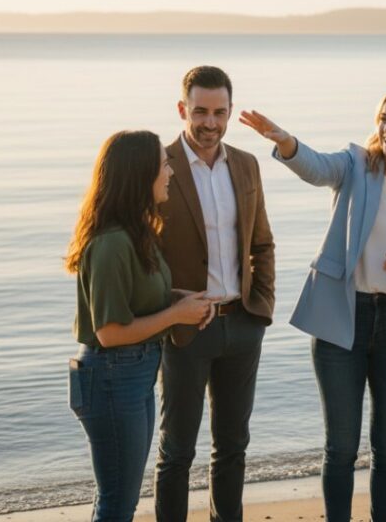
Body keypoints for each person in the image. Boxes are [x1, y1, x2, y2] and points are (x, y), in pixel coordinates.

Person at [239, 88, 386, 522]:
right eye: (384, 118)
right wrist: (286, 142)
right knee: (341, 446)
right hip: (342, 317)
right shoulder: (356, 165)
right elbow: (316, 168)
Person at [66, 130, 213, 522]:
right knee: (118, 502)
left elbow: (144, 297)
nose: (170, 173)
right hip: (113, 375)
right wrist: (176, 316)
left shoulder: (137, 233)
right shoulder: (111, 242)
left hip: (134, 372)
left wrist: (182, 299)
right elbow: (109, 332)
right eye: (164, 165)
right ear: (139, 174)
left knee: (119, 498)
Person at [154, 66, 276, 522]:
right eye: (201, 111)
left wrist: (260, 307)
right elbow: (144, 256)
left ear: (229, 112)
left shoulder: (246, 164)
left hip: (242, 323)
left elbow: (262, 242)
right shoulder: (159, 164)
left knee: (233, 446)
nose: (210, 122)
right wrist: (170, 307)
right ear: (183, 109)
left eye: (219, 112)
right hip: (185, 329)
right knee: (177, 450)